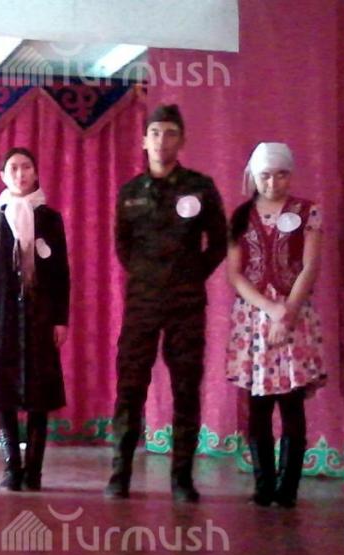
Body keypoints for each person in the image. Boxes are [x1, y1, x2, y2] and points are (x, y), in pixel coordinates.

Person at [105, 104, 228, 503]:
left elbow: (219, 242)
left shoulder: (200, 187)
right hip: (142, 302)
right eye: (155, 133)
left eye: (170, 133)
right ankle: (120, 474)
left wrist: (190, 275)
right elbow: (122, 246)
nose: (162, 141)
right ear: (144, 140)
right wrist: (148, 277)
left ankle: (182, 478)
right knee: (130, 387)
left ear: (182, 140)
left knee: (186, 388)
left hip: (185, 304)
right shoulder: (130, 193)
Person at [226, 142, 325, 508]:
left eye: (281, 174)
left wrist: (288, 312)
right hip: (253, 318)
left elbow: (310, 266)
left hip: (294, 315)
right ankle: (263, 484)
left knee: (291, 403)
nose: (273, 183)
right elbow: (235, 274)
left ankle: (288, 487)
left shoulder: (307, 211)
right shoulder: (240, 216)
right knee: (258, 404)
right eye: (265, 175)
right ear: (254, 176)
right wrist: (269, 308)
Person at [0, 147, 70, 492]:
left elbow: (61, 273)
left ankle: (35, 470)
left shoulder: (50, 218)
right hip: (2, 317)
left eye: (26, 167)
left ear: (36, 173)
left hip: (40, 316)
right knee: (5, 395)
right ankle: (12, 467)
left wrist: (60, 319)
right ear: (2, 176)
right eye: (13, 168)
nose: (20, 174)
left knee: (40, 396)